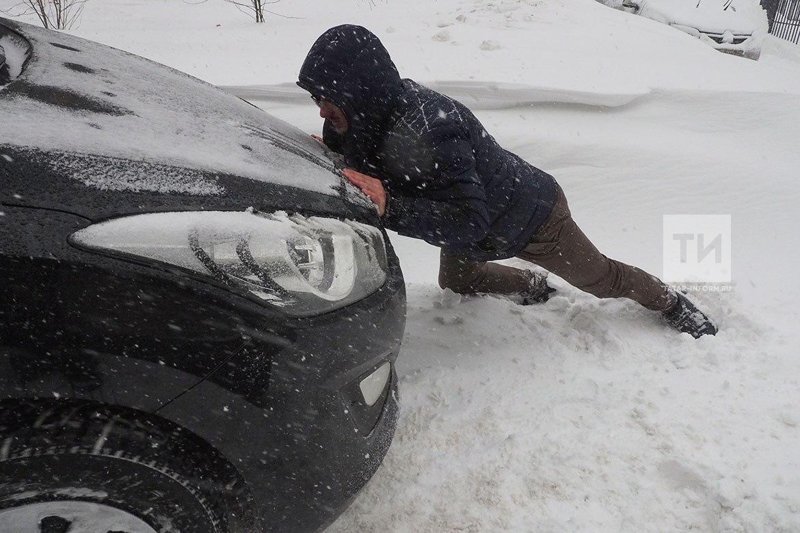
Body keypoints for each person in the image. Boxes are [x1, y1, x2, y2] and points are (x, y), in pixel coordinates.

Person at [297, 25, 717, 339]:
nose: (321, 112)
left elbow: (469, 221)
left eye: (327, 100)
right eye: (316, 100)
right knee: (458, 281)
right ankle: (534, 286)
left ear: (359, 92)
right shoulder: (357, 121)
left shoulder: (431, 127)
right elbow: (364, 166)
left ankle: (672, 303)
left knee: (602, 280)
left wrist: (391, 205)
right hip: (476, 231)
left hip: (535, 219)